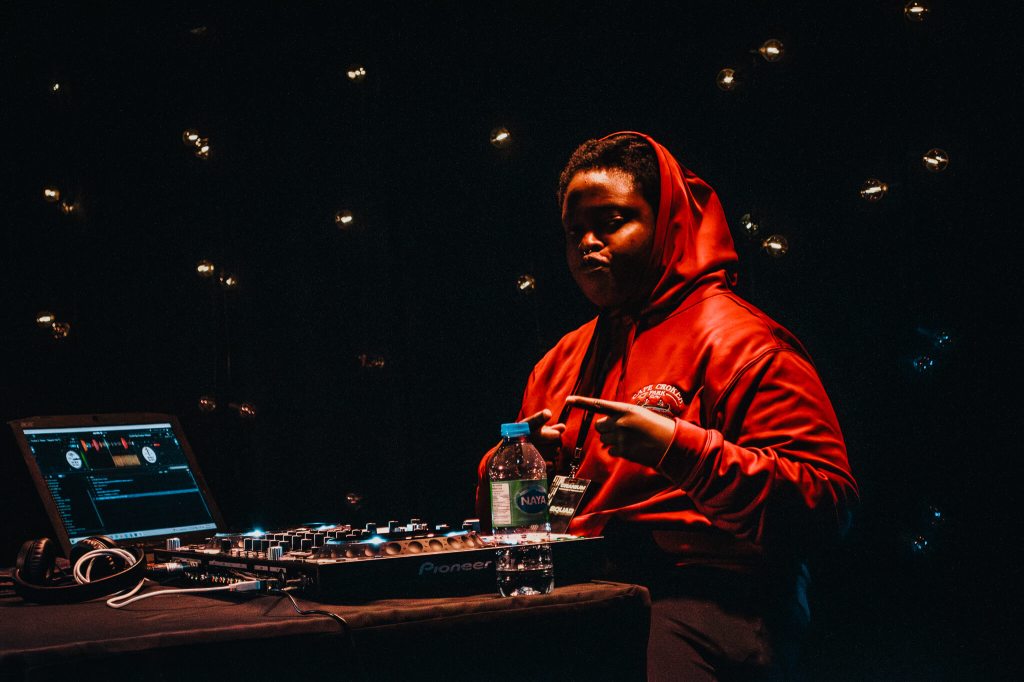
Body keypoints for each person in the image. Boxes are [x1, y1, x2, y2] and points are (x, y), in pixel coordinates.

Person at [475, 131, 858, 681]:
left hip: (708, 595)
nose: (587, 243)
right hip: (579, 591)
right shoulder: (558, 362)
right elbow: (504, 527)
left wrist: (682, 451)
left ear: (666, 224)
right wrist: (514, 469)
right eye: (574, 231)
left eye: (611, 222)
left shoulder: (742, 343)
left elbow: (828, 505)